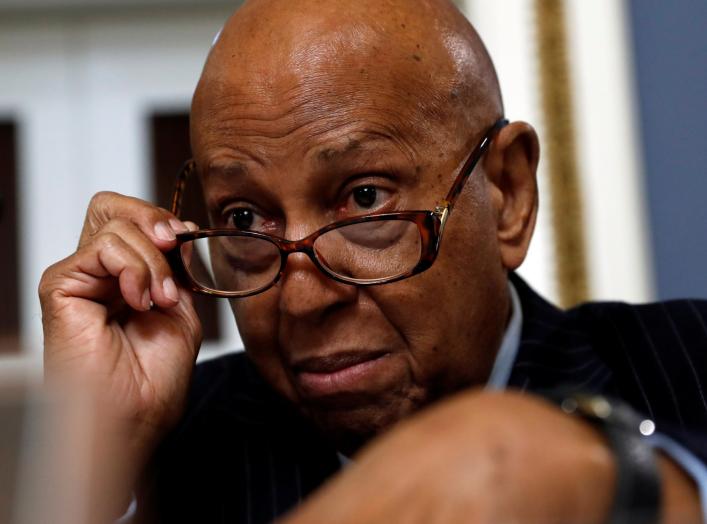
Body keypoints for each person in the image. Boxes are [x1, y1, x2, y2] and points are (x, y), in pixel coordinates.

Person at [39, 0, 706, 522]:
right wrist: (97, 456)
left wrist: (601, 476)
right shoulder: (170, 457)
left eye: (363, 199)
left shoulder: (687, 364)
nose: (301, 300)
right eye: (242, 218)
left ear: (506, 192)